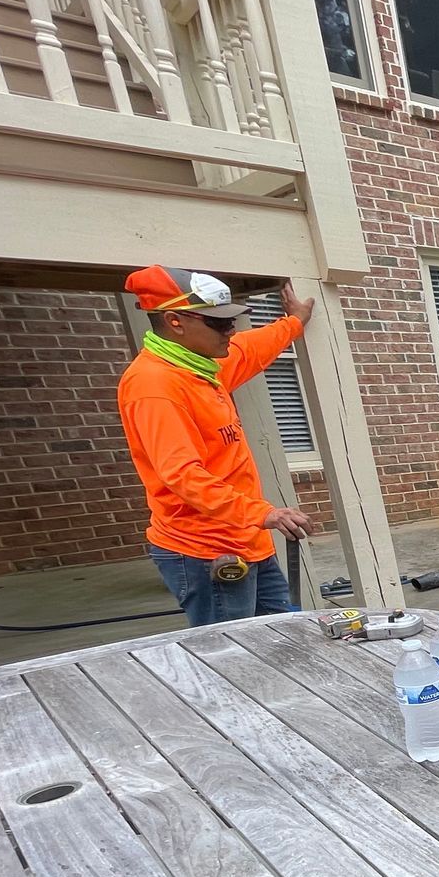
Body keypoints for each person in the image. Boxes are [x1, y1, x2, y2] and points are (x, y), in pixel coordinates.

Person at [117, 265, 314, 626]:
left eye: (232, 321)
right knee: (233, 656)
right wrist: (263, 514)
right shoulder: (155, 387)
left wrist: (294, 322)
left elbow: (250, 348)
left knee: (282, 639)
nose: (231, 331)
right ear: (175, 321)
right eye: (220, 324)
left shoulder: (201, 367)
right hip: (205, 552)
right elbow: (183, 476)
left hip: (246, 539)